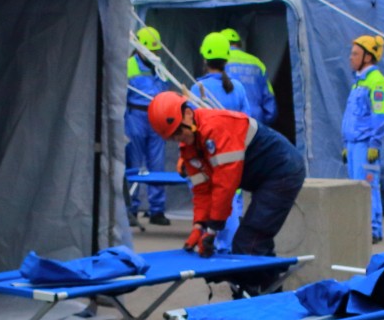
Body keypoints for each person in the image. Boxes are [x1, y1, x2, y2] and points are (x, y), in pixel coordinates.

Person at [147, 90, 305, 261]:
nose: (179, 139)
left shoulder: (217, 128)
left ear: (187, 114)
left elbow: (225, 184)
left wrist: (213, 228)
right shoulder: (189, 148)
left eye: (178, 132)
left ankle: (260, 278)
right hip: (264, 177)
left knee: (248, 243)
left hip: (282, 171)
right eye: (172, 138)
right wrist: (199, 226)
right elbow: (202, 191)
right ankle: (269, 277)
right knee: (255, 241)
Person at [193, 32, 256, 252]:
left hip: (211, 155)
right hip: (235, 154)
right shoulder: (237, 88)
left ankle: (221, 245)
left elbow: (193, 126)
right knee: (233, 199)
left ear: (204, 58)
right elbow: (247, 121)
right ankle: (229, 245)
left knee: (215, 199)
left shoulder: (198, 89)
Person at [340, 34, 384, 241]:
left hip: (365, 145)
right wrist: (346, 144)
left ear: (368, 57)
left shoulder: (376, 82)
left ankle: (372, 230)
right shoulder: (358, 83)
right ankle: (362, 228)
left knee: (368, 187)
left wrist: (374, 143)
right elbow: (352, 117)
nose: (350, 57)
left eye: (355, 54)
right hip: (354, 144)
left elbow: (381, 115)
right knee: (356, 188)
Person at [125, 26, 171, 226]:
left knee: (157, 165)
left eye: (155, 50)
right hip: (135, 117)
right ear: (139, 48)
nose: (153, 53)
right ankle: (131, 209)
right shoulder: (129, 65)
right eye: (150, 50)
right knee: (134, 165)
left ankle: (157, 210)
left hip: (156, 117)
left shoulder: (159, 66)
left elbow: (166, 90)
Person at [220, 27, 278, 126]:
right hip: (255, 121)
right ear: (239, 44)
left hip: (231, 121)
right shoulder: (257, 63)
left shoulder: (219, 62)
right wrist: (264, 123)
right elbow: (269, 99)